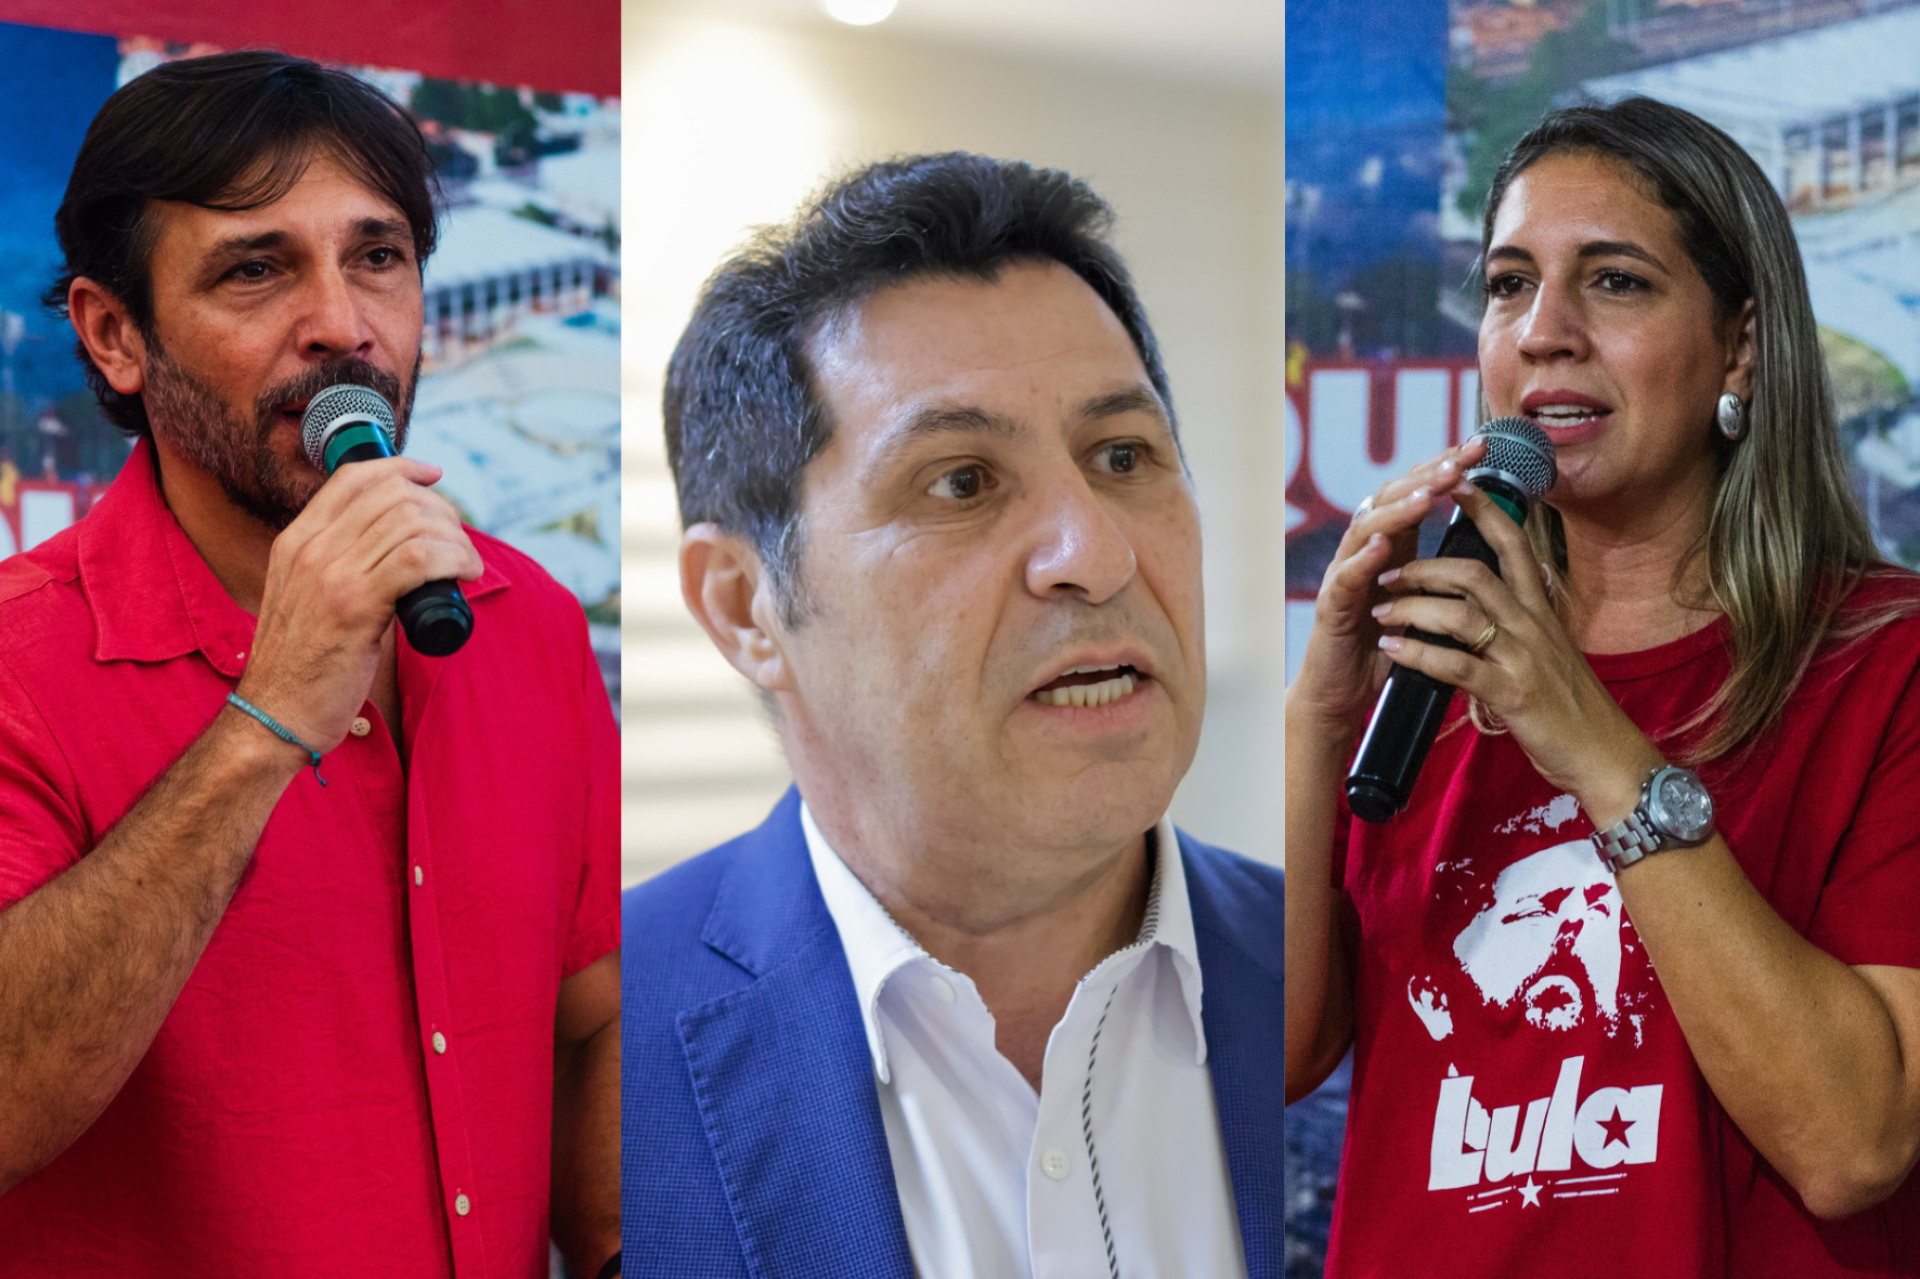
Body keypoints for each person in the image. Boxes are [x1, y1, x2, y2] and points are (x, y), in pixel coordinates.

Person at [0, 52, 620, 1277]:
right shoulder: (19, 657)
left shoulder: (527, 616)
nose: (344, 324)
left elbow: (593, 1022)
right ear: (115, 335)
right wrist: (271, 711)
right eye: (257, 267)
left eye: (378, 257)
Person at [1286, 96, 1920, 1277]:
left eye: (1615, 282)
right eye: (1508, 283)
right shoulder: (1430, 666)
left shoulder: (1888, 662)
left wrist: (1589, 739)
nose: (1544, 331)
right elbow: (1281, 1055)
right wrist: (1319, 721)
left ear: (1739, 343)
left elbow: (1853, 1141)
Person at [621, 153, 1283, 1278]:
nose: (1096, 553)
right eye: (962, 482)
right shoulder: (589, 1053)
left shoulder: (1364, 984)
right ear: (745, 607)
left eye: (1123, 457)